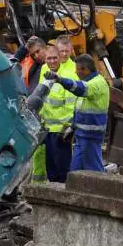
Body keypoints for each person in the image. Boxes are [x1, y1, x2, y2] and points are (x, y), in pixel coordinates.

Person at [44, 53, 110, 173]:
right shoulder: (89, 82)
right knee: (74, 172)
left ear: (85, 69)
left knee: (95, 171)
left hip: (90, 136)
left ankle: (102, 190)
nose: (76, 73)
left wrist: (59, 79)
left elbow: (79, 88)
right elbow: (80, 109)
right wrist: (72, 127)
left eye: (77, 70)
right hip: (82, 135)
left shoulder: (97, 83)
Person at [13, 37, 48, 182]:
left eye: (38, 51)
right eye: (33, 54)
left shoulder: (52, 66)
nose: (37, 55)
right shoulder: (33, 65)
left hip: (50, 122)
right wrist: (23, 50)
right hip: (35, 118)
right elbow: (13, 64)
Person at [39, 46, 75, 183]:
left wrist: (68, 127)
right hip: (48, 129)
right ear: (45, 59)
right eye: (49, 58)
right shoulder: (44, 70)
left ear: (59, 57)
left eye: (55, 58)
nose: (52, 61)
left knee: (63, 172)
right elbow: (42, 98)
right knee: (51, 170)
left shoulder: (67, 76)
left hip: (62, 132)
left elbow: (71, 105)